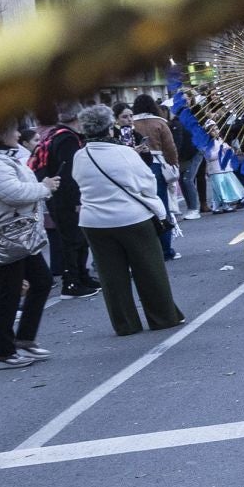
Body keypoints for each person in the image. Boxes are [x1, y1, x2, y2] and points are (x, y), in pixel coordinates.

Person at [72, 104, 184, 337]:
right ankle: (162, 317)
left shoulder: (81, 155)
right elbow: (146, 183)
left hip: (94, 222)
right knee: (149, 269)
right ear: (109, 127)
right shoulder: (124, 152)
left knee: (111, 276)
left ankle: (125, 323)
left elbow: (78, 182)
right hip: (132, 218)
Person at [0, 117, 57, 369]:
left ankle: (24, 340)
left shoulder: (3, 155)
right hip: (6, 234)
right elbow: (13, 193)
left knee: (42, 281)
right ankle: (4, 351)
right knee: (9, 292)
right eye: (13, 129)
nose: (18, 134)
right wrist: (44, 187)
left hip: (19, 233)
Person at [29, 103, 97, 297]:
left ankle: (81, 276)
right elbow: (70, 173)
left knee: (76, 238)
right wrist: (77, 200)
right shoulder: (68, 139)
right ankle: (72, 282)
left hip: (57, 194)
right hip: (65, 196)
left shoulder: (54, 134)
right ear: (78, 117)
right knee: (74, 239)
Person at [128, 95, 181, 259]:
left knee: (140, 207)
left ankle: (144, 249)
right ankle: (165, 249)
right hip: (156, 164)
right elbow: (170, 147)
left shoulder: (131, 123)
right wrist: (173, 164)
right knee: (161, 207)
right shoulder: (159, 122)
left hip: (134, 165)